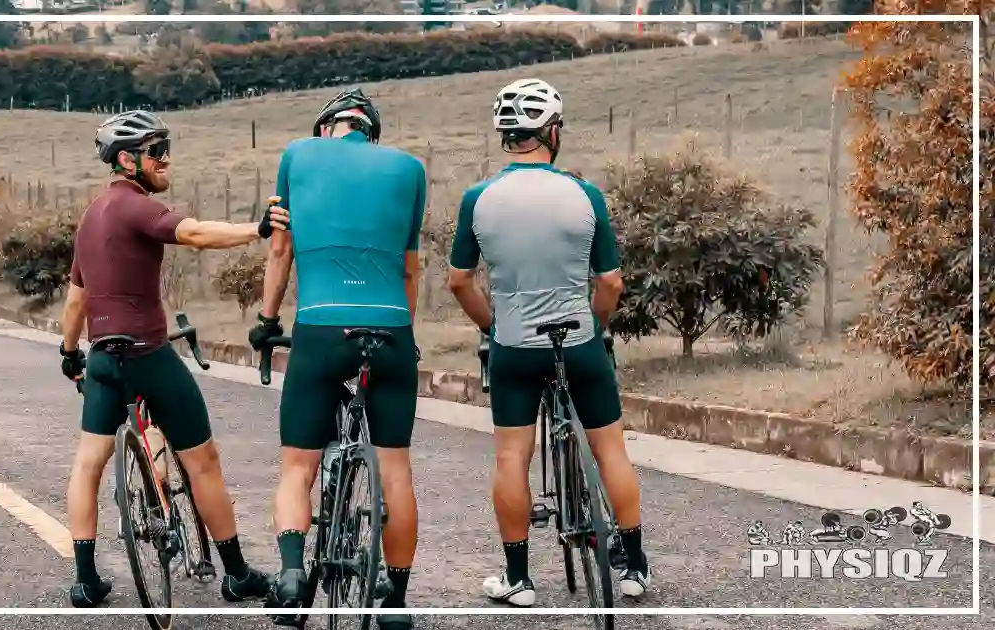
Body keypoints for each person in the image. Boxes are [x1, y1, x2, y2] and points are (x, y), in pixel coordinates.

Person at [59, 109, 289, 608]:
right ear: (127, 160)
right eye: (156, 152)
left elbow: (76, 299)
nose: (166, 160)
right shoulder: (133, 207)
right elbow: (195, 234)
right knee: (202, 461)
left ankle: (85, 581)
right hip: (148, 356)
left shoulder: (91, 216)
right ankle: (237, 575)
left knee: (88, 463)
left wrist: (69, 351)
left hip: (101, 357)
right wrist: (258, 229)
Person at [446, 78, 650, 606]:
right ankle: (634, 570)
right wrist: (595, 327)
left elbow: (459, 281)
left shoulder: (478, 199)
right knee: (611, 451)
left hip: (514, 345)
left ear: (506, 136)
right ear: (552, 132)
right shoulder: (585, 195)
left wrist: (493, 327)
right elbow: (610, 284)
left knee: (511, 459)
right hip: (578, 341)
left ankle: (518, 580)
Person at [247, 88, 424, 630]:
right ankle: (393, 603)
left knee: (299, 466)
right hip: (391, 328)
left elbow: (280, 250)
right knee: (395, 468)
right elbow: (410, 268)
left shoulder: (297, 155)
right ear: (371, 132)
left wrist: (268, 321)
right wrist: (405, 334)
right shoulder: (410, 168)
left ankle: (294, 576)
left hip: (322, 326)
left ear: (326, 127)